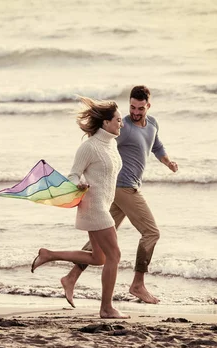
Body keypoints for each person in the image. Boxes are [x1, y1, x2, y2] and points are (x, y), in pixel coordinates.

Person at [60, 85, 178, 308]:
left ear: (148, 106)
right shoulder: (121, 127)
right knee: (151, 233)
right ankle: (138, 284)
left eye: (140, 108)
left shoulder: (152, 124)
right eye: (132, 107)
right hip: (123, 188)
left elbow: (157, 146)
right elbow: (101, 140)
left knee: (101, 242)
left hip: (116, 191)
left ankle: (71, 278)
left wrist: (168, 162)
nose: (134, 112)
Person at [31, 96, 129, 319]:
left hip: (103, 203)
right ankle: (106, 308)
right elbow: (74, 174)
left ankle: (49, 254)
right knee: (114, 255)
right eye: (118, 120)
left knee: (99, 258)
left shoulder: (111, 143)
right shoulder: (89, 147)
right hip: (94, 207)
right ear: (106, 123)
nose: (121, 123)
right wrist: (79, 184)